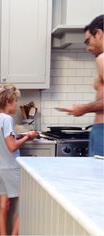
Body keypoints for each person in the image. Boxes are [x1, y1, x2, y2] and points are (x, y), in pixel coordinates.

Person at [0, 84, 39, 236]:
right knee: (26, 204)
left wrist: (23, 135)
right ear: (9, 101)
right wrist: (27, 137)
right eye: (15, 101)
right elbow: (11, 146)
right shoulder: (7, 119)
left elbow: (5, 139)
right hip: (11, 168)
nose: (16, 104)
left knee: (4, 205)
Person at [64, 15, 104, 156]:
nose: (87, 48)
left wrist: (84, 108)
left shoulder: (102, 58)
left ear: (98, 34)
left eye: (88, 41)